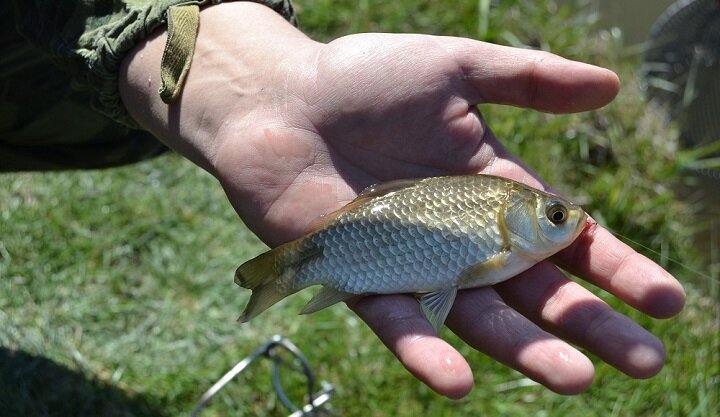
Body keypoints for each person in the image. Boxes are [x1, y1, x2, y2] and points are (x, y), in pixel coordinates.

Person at [4, 1, 685, 398]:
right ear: (517, 220)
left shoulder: (501, 226)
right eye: (557, 216)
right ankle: (290, 266)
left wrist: (208, 54)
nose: (569, 222)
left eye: (558, 214)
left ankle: (293, 265)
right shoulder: (503, 235)